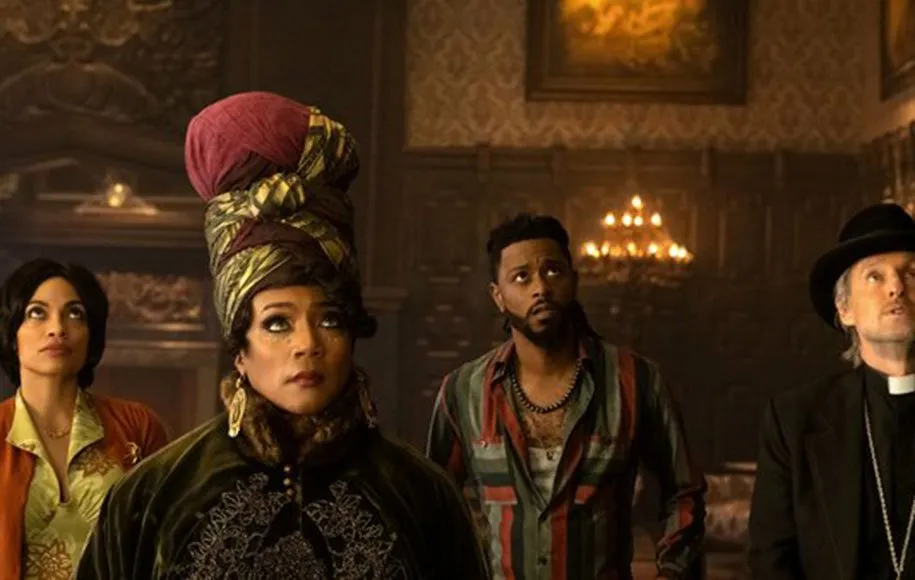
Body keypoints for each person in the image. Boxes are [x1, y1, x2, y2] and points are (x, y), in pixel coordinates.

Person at [75, 91, 490, 579]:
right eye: (277, 323)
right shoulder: (154, 496)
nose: (307, 344)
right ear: (240, 348)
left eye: (330, 320)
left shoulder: (420, 494)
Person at [426, 213, 706, 579]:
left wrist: (672, 573)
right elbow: (433, 508)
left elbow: (683, 492)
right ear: (498, 296)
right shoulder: (464, 392)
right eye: (522, 277)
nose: (540, 288)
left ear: (573, 280)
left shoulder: (634, 380)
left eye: (553, 271)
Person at [749, 202, 915, 579]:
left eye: (911, 272)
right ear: (845, 309)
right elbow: (771, 562)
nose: (896, 287)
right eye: (875, 276)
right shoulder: (794, 420)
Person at [0, 259, 168, 580]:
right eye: (37, 313)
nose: (57, 329)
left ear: (91, 335)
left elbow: (166, 544)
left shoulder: (138, 426)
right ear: (11, 334)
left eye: (75, 314)